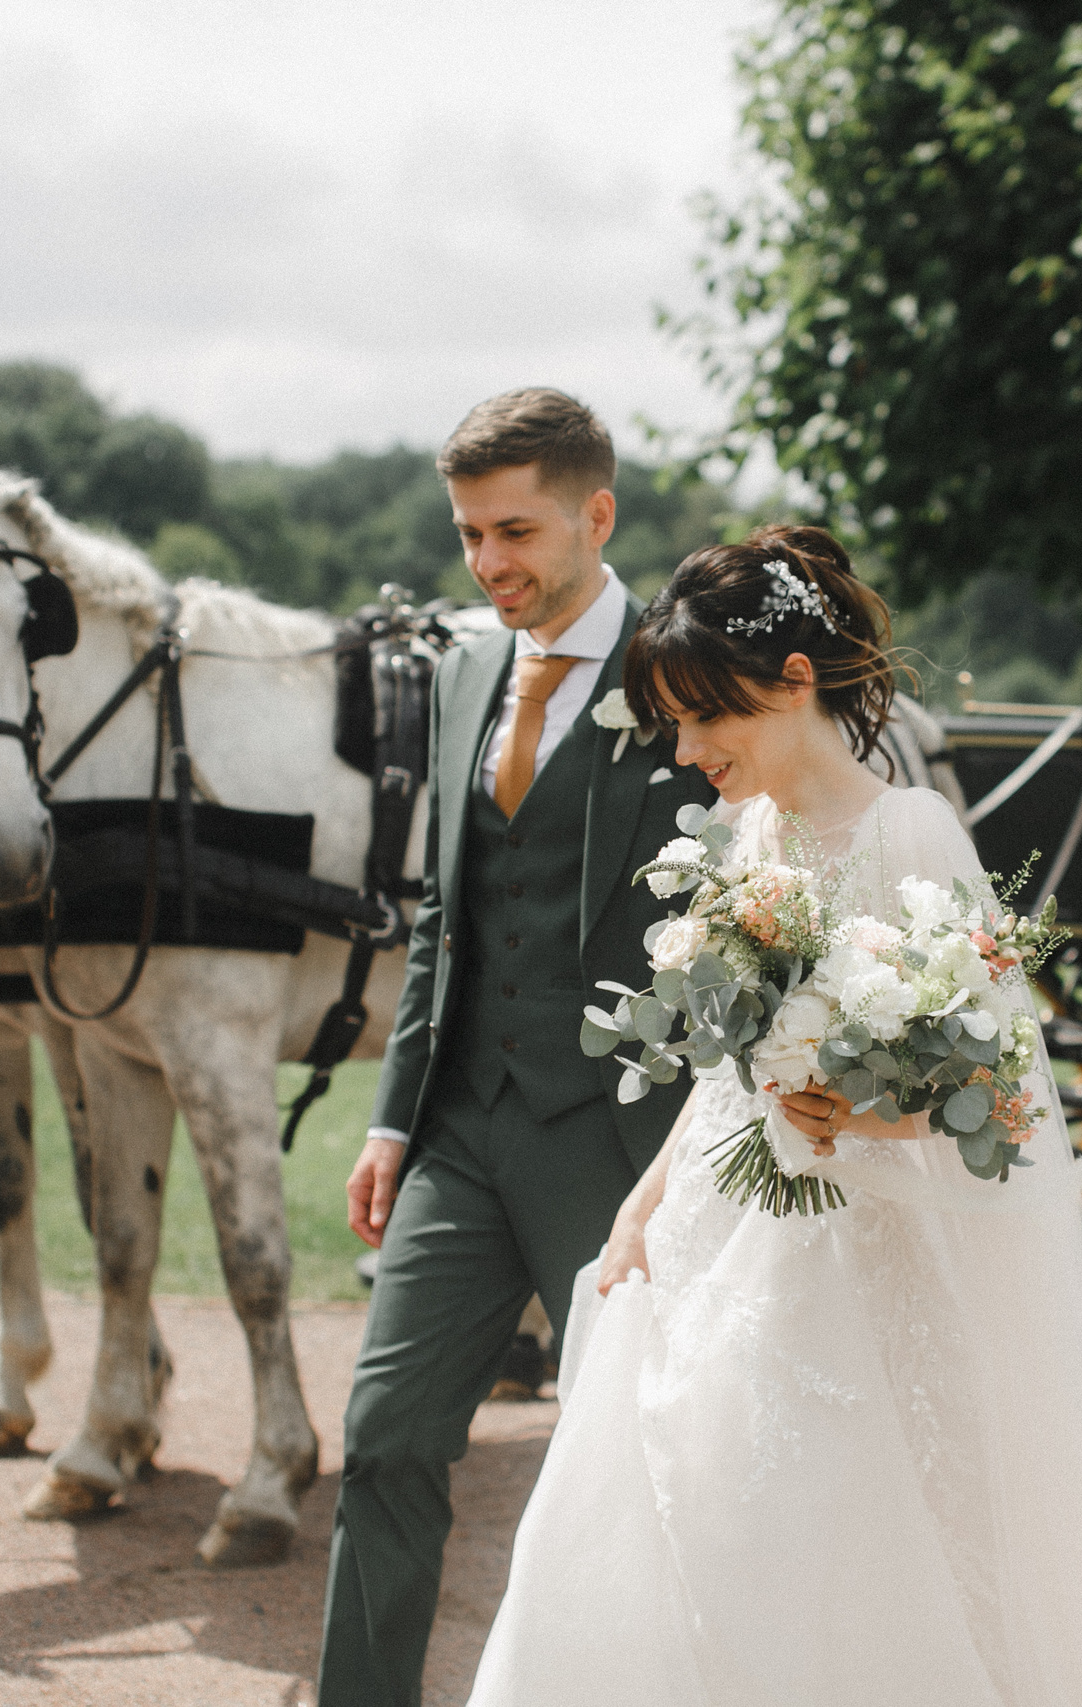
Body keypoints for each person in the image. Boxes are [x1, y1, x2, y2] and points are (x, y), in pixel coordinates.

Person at [460, 525, 1082, 1707]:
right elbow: (728, 1068)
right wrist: (641, 1205)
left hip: (857, 1258)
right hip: (717, 1224)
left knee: (815, 1537)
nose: (684, 752)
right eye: (673, 722)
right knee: (677, 1499)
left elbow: (996, 1090)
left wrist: (865, 1115)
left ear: (794, 683)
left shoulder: (909, 834)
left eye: (705, 717)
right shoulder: (744, 835)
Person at [318, 389, 717, 1707]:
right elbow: (447, 910)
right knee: (383, 1436)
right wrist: (391, 1117)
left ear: (597, 514)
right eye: (470, 534)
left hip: (622, 1138)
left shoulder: (683, 676)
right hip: (462, 1131)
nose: (489, 564)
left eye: (516, 530)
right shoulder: (460, 671)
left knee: (646, 1464)